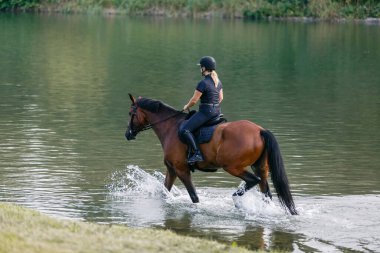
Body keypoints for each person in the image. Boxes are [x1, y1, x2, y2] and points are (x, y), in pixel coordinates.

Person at [179, 56, 224, 164]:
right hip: (217, 111)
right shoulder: (218, 82)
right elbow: (221, 98)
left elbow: (194, 100)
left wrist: (186, 106)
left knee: (184, 130)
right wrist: (213, 106)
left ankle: (197, 153)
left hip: (206, 112)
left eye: (201, 68)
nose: (200, 70)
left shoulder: (203, 83)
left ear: (204, 68)